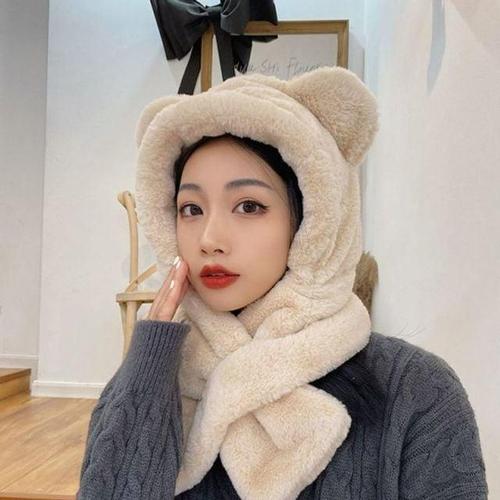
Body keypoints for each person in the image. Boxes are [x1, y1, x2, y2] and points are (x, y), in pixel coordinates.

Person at [77, 66, 488, 499]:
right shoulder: (149, 380)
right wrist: (148, 364)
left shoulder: (418, 390)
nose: (209, 239)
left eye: (249, 206)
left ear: (312, 222)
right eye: (191, 209)